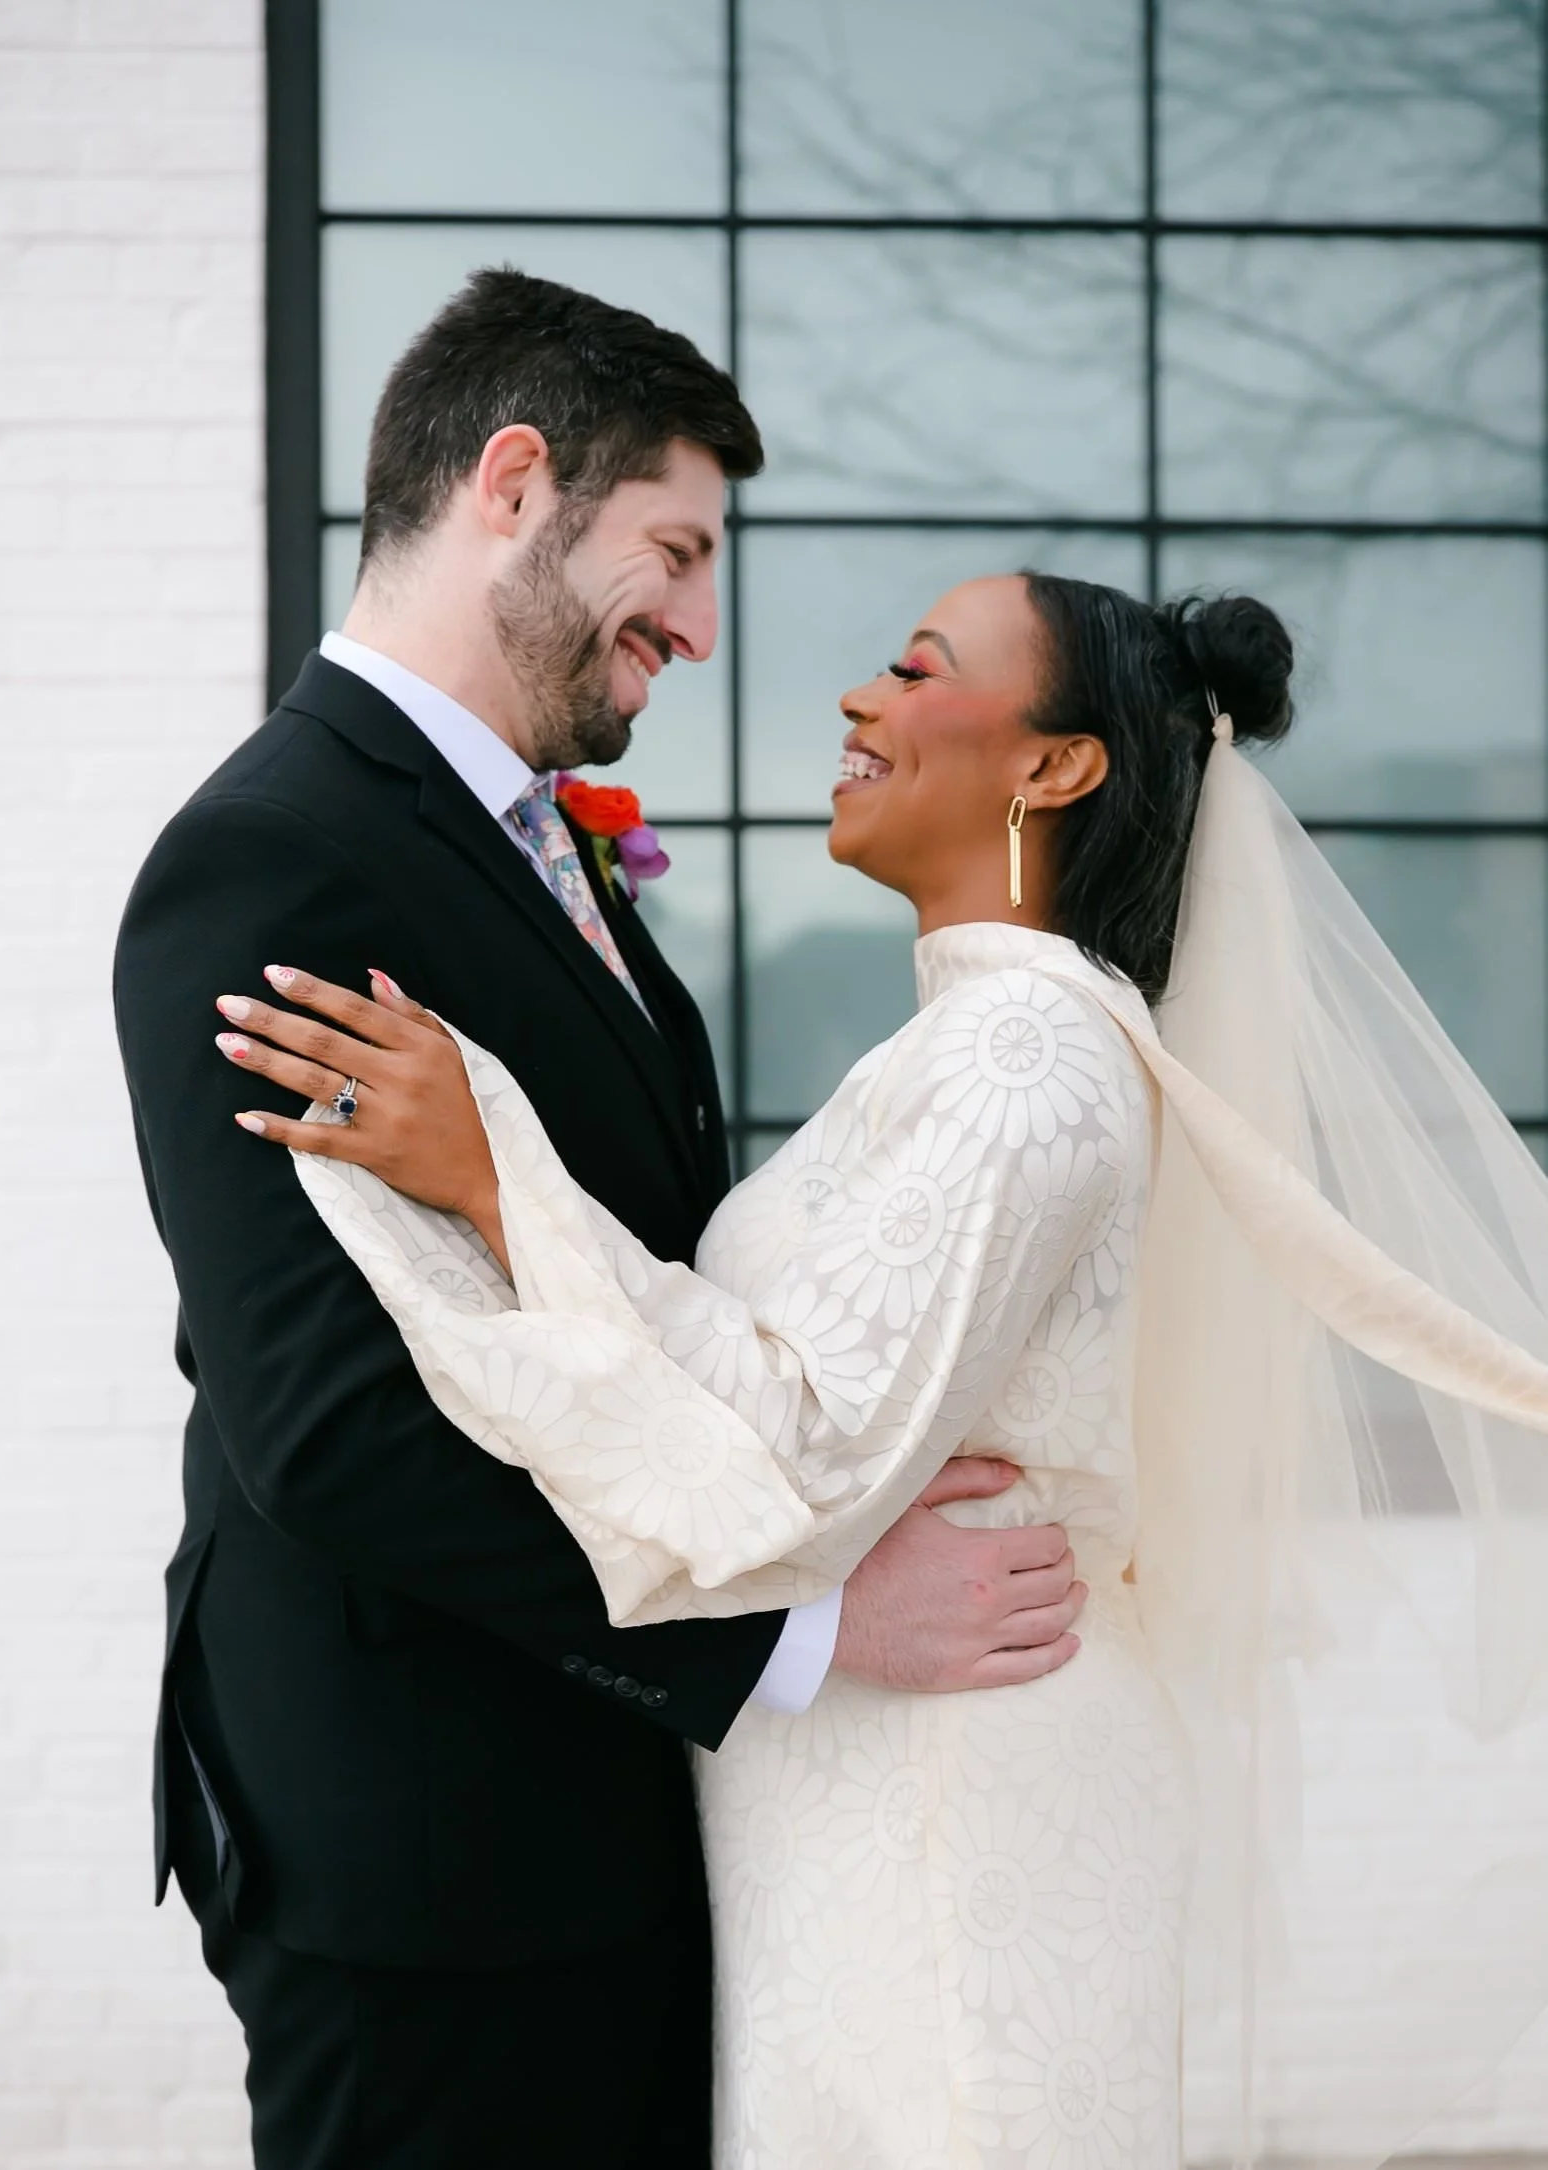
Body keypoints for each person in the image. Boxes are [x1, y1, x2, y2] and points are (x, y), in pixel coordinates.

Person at [226, 566, 1548, 2168]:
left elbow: (798, 1435)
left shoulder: (1025, 1054)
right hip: (874, 1795)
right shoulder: (952, 1044)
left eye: (917, 667)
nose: (858, 698)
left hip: (956, 1814)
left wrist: (498, 1180)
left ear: (1054, 767)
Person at [112, 270, 1089, 2170]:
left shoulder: (546, 846)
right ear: (509, 481)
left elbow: (631, 1282)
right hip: (425, 1843)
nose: (704, 627)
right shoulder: (272, 858)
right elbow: (327, 1428)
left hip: (601, 1815)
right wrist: (799, 1632)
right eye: (674, 550)